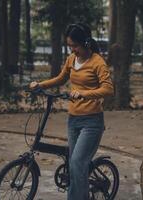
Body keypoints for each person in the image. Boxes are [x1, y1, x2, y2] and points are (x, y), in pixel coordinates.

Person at [30, 22, 114, 200]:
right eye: (70, 46)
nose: (72, 49)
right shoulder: (71, 59)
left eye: (75, 45)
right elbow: (61, 78)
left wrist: (83, 94)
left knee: (77, 163)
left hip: (92, 122)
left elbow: (108, 89)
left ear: (85, 42)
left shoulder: (98, 62)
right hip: (73, 119)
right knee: (74, 165)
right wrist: (40, 85)